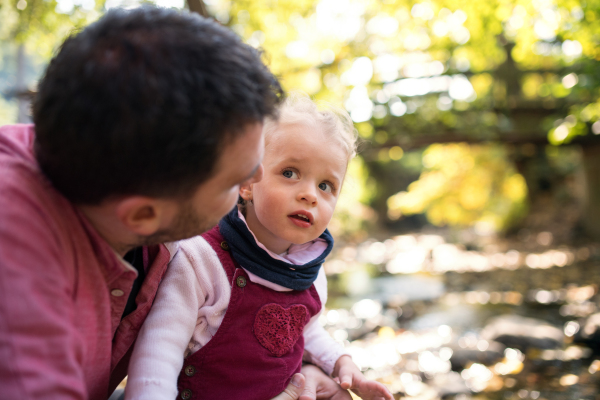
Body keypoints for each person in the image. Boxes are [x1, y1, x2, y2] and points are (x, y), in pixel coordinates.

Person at [0, 7, 348, 400]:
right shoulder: (19, 279)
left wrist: (301, 368)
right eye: (236, 181)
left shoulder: (117, 174)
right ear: (143, 216)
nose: (255, 182)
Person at [124, 95, 394, 400]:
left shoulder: (310, 273)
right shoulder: (201, 259)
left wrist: (341, 363)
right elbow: (159, 350)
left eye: (325, 186)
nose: (310, 195)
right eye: (290, 173)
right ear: (247, 182)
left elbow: (306, 332)